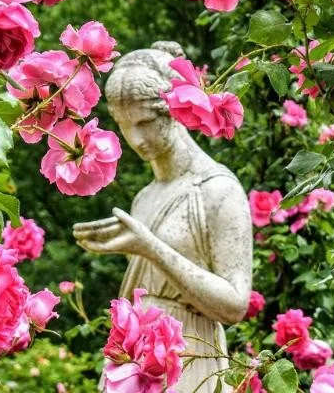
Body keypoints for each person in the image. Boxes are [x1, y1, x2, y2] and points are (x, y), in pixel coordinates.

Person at [73, 42, 253, 393]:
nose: (136, 138)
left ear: (172, 111)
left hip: (189, 355)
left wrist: (150, 247)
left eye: (146, 122)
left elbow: (235, 304)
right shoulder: (144, 197)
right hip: (137, 360)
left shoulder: (218, 190)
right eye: (125, 125)